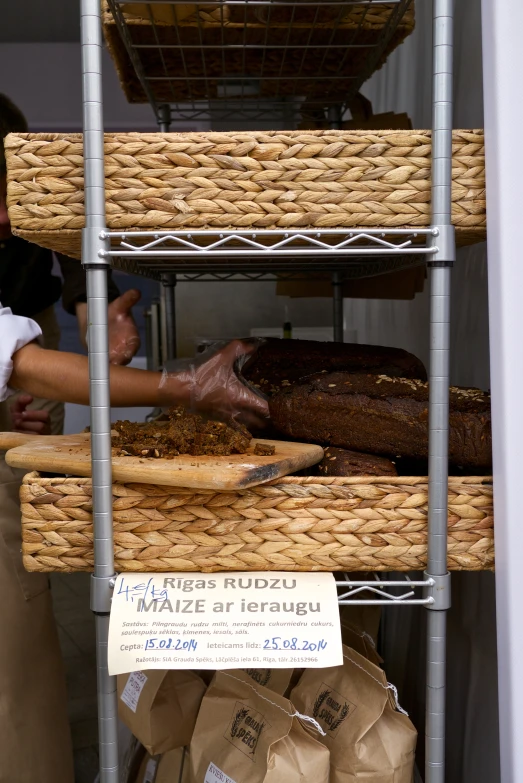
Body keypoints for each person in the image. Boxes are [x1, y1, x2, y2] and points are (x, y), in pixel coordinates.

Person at [0, 92, 142, 439]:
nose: (5, 217)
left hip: (34, 316)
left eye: (8, 192)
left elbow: (76, 249)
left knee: (32, 448)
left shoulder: (44, 183)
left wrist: (94, 315)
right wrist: (183, 385)